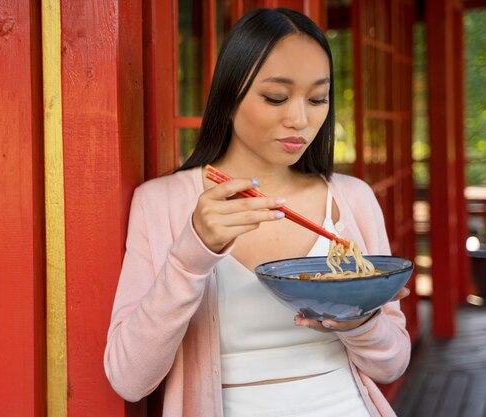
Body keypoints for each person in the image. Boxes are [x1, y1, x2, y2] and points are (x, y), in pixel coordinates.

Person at [104, 7, 410, 417]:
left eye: (318, 98)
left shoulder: (352, 199)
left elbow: (392, 365)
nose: (300, 119)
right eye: (276, 97)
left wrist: (358, 320)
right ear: (228, 97)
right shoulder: (163, 203)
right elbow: (129, 379)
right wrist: (191, 256)